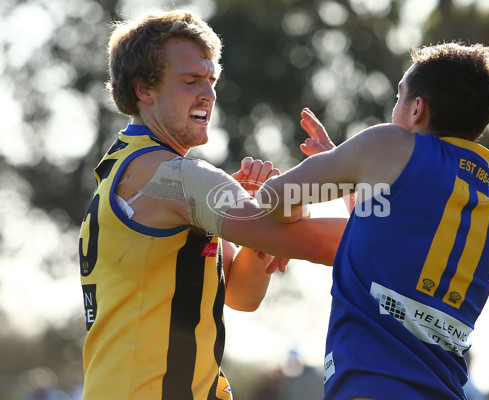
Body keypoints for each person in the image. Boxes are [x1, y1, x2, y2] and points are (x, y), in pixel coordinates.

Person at [77, 10, 347, 400]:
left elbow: (241, 296)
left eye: (211, 79)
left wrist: (260, 230)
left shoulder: (125, 166)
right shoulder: (179, 178)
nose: (209, 93)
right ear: (143, 89)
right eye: (190, 80)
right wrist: (344, 179)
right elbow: (321, 244)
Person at [258, 42, 489, 399]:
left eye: (399, 97)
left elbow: (272, 199)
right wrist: (349, 175)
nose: (394, 109)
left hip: (371, 388)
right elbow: (397, 241)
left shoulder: (390, 144)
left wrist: (294, 214)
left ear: (416, 109)